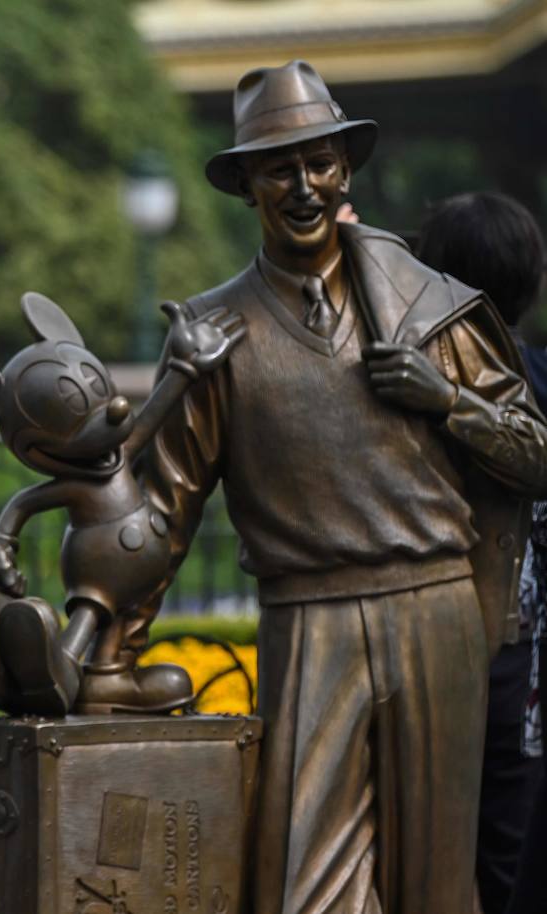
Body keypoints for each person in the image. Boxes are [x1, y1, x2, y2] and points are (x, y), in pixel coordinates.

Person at [135, 61, 547, 912]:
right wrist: (96, 628)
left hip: (436, 608)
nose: (304, 186)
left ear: (346, 170)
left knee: (436, 883)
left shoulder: (434, 308)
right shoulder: (215, 334)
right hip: (309, 617)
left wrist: (451, 401)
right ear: (246, 182)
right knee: (303, 883)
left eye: (320, 163)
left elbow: (535, 456)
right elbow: (162, 510)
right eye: (280, 167)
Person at [415, 191, 547, 914]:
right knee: (509, 855)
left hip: (448, 644)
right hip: (520, 657)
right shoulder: (538, 378)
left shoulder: (412, 386)